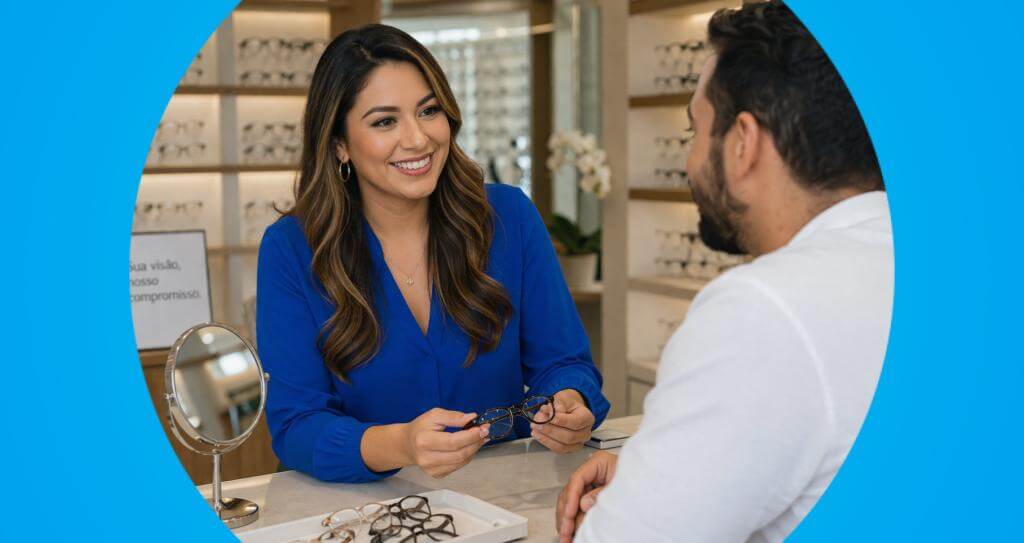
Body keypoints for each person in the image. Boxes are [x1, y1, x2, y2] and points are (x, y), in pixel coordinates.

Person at [556, 2, 892, 541]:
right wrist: (662, 474)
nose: (690, 161)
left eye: (694, 130)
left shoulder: (763, 308)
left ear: (742, 143)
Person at [256, 24, 610, 483]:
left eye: (428, 111)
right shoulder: (290, 248)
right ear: (339, 143)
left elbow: (565, 364)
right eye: (385, 121)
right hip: (364, 512)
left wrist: (570, 404)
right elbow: (295, 424)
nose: (418, 139)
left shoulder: (509, 217)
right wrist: (400, 445)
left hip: (505, 497)